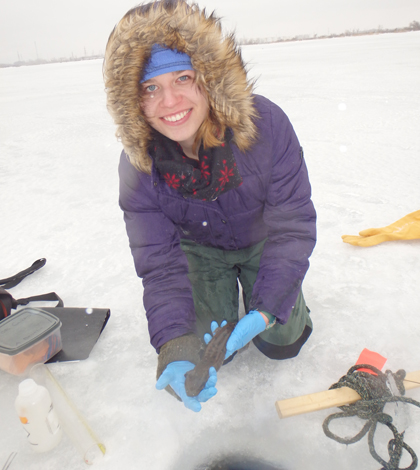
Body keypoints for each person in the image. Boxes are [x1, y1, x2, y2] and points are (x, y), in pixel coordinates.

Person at [103, 0, 317, 412]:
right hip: (199, 249)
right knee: (216, 352)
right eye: (151, 87)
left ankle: (277, 294)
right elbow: (160, 263)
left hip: (263, 239)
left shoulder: (266, 125)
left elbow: (292, 225)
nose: (170, 100)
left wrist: (268, 309)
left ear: (209, 79)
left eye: (183, 77)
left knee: (282, 342)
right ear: (135, 102)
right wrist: (174, 345)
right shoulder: (139, 167)